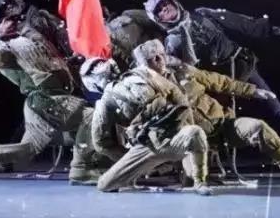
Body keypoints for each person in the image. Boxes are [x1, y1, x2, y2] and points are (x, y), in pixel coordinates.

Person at [144, 0, 280, 180]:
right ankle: (194, 171)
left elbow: (238, 22)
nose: (165, 9)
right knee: (214, 127)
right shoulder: (172, 43)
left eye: (165, 4)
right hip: (218, 86)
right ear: (158, 19)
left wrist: (275, 30)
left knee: (278, 114)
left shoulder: (204, 14)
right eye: (159, 10)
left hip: (243, 71)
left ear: (174, 2)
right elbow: (181, 71)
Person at [0, 15, 100, 179]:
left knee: (25, 151)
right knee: (91, 118)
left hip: (42, 105)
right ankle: (82, 169)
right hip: (47, 101)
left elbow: (56, 66)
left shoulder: (41, 44)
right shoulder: (13, 47)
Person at [158, 50, 280, 186]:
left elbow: (222, 82)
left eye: (162, 56)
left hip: (222, 125)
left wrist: (253, 91)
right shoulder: (151, 88)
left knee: (258, 127)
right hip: (192, 140)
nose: (161, 61)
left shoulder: (186, 73)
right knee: (193, 179)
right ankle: (184, 172)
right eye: (155, 59)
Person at [84, 41, 212, 195]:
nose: (101, 68)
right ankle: (189, 176)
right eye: (95, 68)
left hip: (171, 134)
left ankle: (198, 181)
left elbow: (177, 95)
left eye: (99, 65)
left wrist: (182, 123)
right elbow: (101, 142)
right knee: (104, 184)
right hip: (146, 144)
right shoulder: (106, 102)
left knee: (195, 133)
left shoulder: (144, 74)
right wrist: (128, 158)